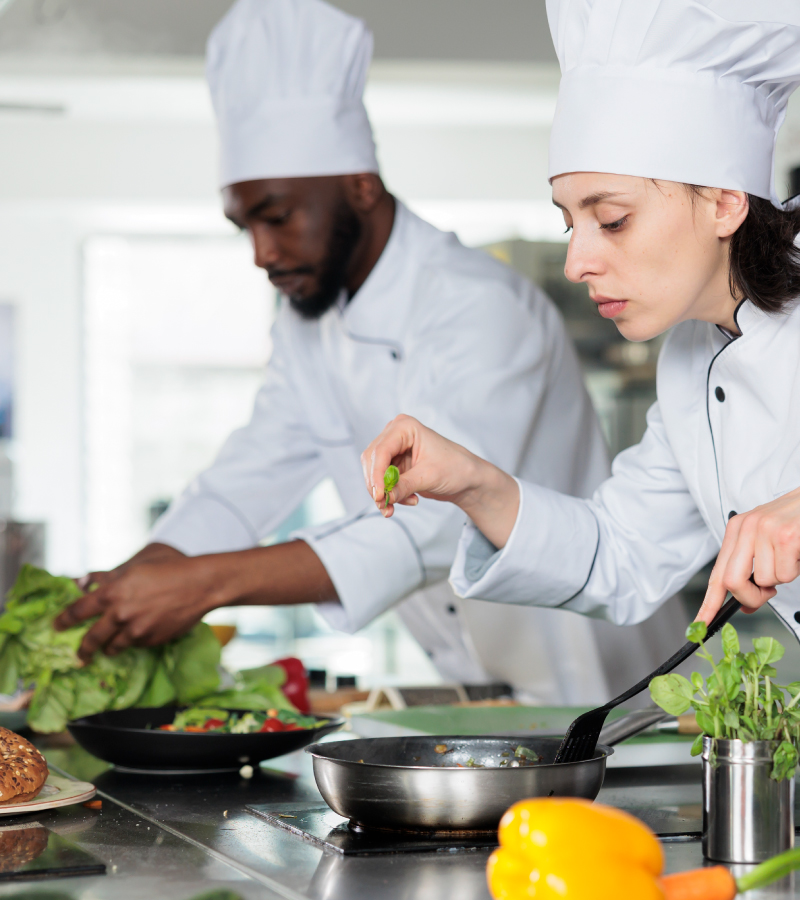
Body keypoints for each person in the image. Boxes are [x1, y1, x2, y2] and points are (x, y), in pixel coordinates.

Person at [55, 0, 684, 703]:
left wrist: (202, 585)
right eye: (245, 227)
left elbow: (438, 523)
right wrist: (140, 578)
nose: (263, 252)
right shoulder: (308, 323)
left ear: (359, 185)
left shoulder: (478, 304)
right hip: (475, 687)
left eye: (278, 215)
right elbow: (249, 474)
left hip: (609, 685)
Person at [361, 0, 800, 641]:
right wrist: (473, 482)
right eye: (570, 223)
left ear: (725, 202)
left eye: (613, 219)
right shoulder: (688, 364)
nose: (576, 263)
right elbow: (619, 554)